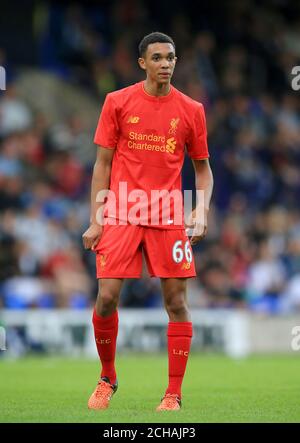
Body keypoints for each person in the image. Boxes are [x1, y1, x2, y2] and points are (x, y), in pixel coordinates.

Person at [82, 32, 213, 411]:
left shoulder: (191, 110)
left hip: (168, 214)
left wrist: (200, 209)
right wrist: (96, 219)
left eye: (170, 57)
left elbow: (203, 172)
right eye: (157, 57)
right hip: (122, 210)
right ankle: (108, 376)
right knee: (106, 297)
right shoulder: (117, 102)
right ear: (142, 63)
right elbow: (102, 164)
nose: (166, 64)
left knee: (176, 302)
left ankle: (173, 394)